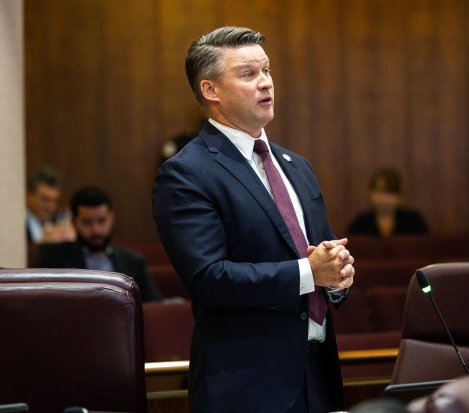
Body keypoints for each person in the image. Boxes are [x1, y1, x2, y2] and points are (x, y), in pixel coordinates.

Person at [152, 27, 355, 413]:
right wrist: (309, 273)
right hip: (248, 386)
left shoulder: (297, 165)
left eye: (267, 70)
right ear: (210, 90)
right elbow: (209, 280)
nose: (266, 83)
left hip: (318, 375)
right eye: (249, 74)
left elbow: (321, 255)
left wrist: (337, 276)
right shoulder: (186, 173)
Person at [33, 185, 162, 302]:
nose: (96, 230)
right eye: (87, 223)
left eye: (101, 221)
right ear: (74, 222)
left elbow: (154, 305)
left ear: (112, 218)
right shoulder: (54, 257)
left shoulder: (133, 261)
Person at [346, 167, 429, 237]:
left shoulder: (414, 221)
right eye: (378, 191)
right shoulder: (360, 223)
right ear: (370, 193)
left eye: (389, 193)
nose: (384, 199)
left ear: (400, 196)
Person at [26, 166, 75, 245]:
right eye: (45, 200)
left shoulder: (57, 224)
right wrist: (43, 244)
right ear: (28, 196)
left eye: (54, 201)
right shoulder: (17, 225)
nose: (51, 207)